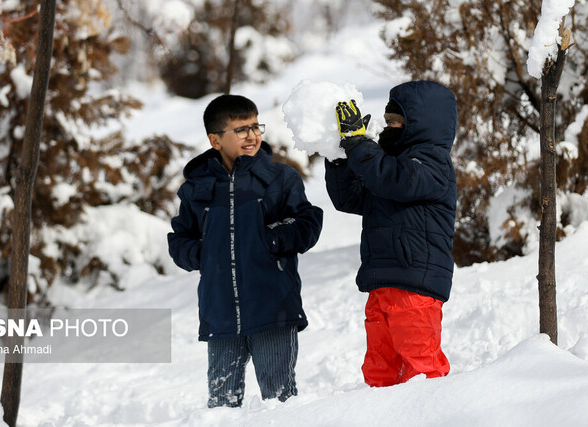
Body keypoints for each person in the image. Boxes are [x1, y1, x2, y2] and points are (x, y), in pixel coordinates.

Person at [168, 94, 323, 407]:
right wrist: (203, 255)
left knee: (279, 401)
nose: (252, 135)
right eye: (241, 129)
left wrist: (272, 240)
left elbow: (307, 223)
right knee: (222, 407)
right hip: (220, 312)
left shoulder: (280, 179)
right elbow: (180, 238)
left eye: (255, 126)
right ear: (215, 140)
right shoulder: (197, 189)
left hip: (272, 307)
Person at [325, 81, 457, 387]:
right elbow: (349, 199)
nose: (388, 128)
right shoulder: (386, 165)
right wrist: (340, 155)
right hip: (381, 284)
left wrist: (360, 146)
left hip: (414, 286)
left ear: (422, 125)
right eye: (387, 122)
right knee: (380, 371)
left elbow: (394, 181)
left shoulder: (433, 163)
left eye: (396, 123)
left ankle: (435, 416)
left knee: (421, 369)